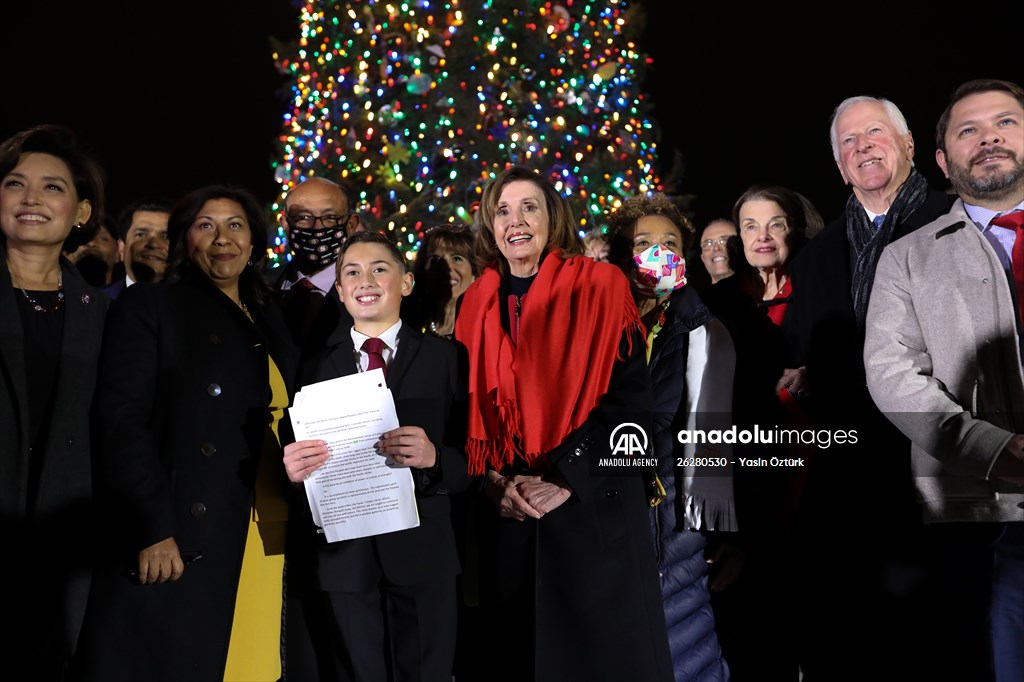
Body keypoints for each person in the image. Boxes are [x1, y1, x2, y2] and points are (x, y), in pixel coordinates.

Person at [455, 165, 673, 682]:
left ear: (553, 218)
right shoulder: (472, 306)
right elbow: (460, 420)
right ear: (490, 226)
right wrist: (493, 486)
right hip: (510, 521)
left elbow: (631, 409)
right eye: (503, 211)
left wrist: (564, 480)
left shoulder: (600, 285)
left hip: (591, 513)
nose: (516, 221)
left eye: (529, 207)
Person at [75, 185, 298, 682]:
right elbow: (121, 421)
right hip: (188, 530)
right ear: (185, 240)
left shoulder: (270, 318)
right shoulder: (152, 306)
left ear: (255, 242)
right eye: (206, 225)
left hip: (267, 525)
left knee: (253, 664)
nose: (222, 238)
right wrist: (152, 525)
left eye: (235, 225)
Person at [783, 95, 956, 681]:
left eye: (874, 133)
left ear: (908, 144)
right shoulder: (815, 257)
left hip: (940, 470)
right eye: (848, 143)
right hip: (846, 483)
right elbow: (802, 357)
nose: (863, 147)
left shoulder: (956, 223)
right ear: (838, 165)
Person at [864, 78, 1024, 682]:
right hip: (978, 509)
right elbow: (890, 372)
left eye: (1005, 123)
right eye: (968, 130)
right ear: (942, 160)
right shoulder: (907, 256)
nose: (988, 138)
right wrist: (989, 450)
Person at [283, 230, 469, 681]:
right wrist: (290, 467)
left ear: (405, 283)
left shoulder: (449, 359)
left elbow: (473, 462)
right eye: (352, 273)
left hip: (424, 555)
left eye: (379, 269)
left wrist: (435, 458)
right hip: (345, 560)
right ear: (341, 293)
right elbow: (293, 458)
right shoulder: (311, 367)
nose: (365, 280)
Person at [606, 192, 732, 681]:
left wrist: (717, 528)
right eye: (644, 242)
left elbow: (714, 437)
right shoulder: (600, 326)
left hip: (676, 513)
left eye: (670, 242)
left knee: (684, 646)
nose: (658, 252)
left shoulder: (704, 329)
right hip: (608, 505)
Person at [0, 123, 107, 681]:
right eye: (15, 184)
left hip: (62, 548)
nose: (32, 199)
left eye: (53, 187)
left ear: (82, 212)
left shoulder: (106, 314)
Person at [272, 176, 357, 355]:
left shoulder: (371, 294)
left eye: (329, 218)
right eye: (304, 217)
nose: (317, 228)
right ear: (286, 225)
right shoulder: (257, 287)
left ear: (350, 225)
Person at [404, 223, 478, 338]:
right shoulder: (405, 327)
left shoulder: (485, 326)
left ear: (474, 272)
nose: (446, 268)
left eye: (457, 258)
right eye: (435, 259)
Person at [102, 198, 172, 299]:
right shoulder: (97, 302)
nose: (154, 244)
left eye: (165, 237)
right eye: (141, 234)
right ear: (122, 248)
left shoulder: (194, 305)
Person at [64, 214, 118, 286]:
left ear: (118, 252)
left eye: (102, 239)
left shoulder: (127, 296)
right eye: (83, 237)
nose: (91, 243)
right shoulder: (52, 295)